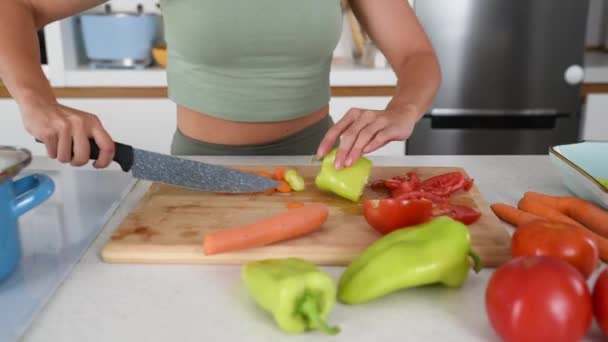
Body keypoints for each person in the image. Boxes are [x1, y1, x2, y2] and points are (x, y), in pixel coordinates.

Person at [0, 0, 440, 170]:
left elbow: (415, 55)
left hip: (318, 168)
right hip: (198, 171)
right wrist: (36, 98)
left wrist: (403, 109)